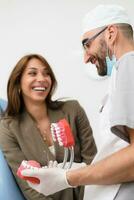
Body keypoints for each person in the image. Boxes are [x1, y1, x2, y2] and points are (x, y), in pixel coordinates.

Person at [21, 4, 134, 200]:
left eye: (87, 44)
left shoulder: (128, 65)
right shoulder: (121, 72)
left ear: (111, 33)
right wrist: (80, 169)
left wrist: (67, 177)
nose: (85, 57)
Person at [0, 53, 97, 200]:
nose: (41, 79)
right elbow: (28, 186)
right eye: (32, 73)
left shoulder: (73, 110)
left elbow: (93, 162)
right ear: (18, 81)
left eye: (47, 74)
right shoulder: (8, 128)